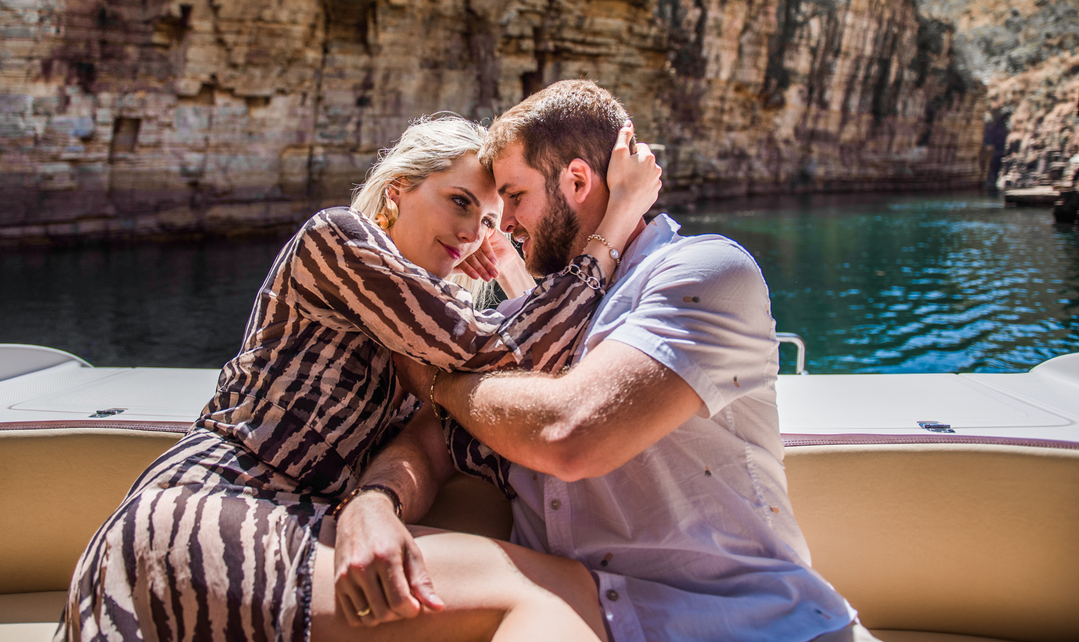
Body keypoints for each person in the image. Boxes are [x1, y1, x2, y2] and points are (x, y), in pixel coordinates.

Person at [54, 114, 662, 642]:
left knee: (556, 590)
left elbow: (530, 369)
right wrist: (616, 224)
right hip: (213, 500)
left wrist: (506, 265)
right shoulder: (338, 240)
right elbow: (498, 352)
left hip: (298, 517)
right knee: (547, 592)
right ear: (399, 190)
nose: (472, 231)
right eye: (459, 202)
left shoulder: (432, 322)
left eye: (488, 220)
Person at [334, 81, 879, 642]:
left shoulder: (703, 272)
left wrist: (441, 383)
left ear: (576, 181)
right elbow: (428, 442)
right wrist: (373, 503)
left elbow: (573, 433)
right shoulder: (538, 321)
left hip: (748, 623)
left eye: (514, 197)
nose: (505, 226)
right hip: (574, 612)